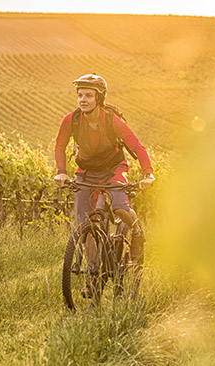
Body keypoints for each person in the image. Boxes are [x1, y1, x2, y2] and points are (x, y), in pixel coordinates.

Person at [54, 74, 155, 275]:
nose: (83, 99)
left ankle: (136, 231)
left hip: (113, 170)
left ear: (99, 99)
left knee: (119, 208)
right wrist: (62, 172)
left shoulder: (112, 120)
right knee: (85, 225)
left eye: (89, 96)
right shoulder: (71, 120)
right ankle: (93, 273)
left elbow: (137, 146)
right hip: (86, 172)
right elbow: (60, 145)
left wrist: (148, 174)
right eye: (80, 95)